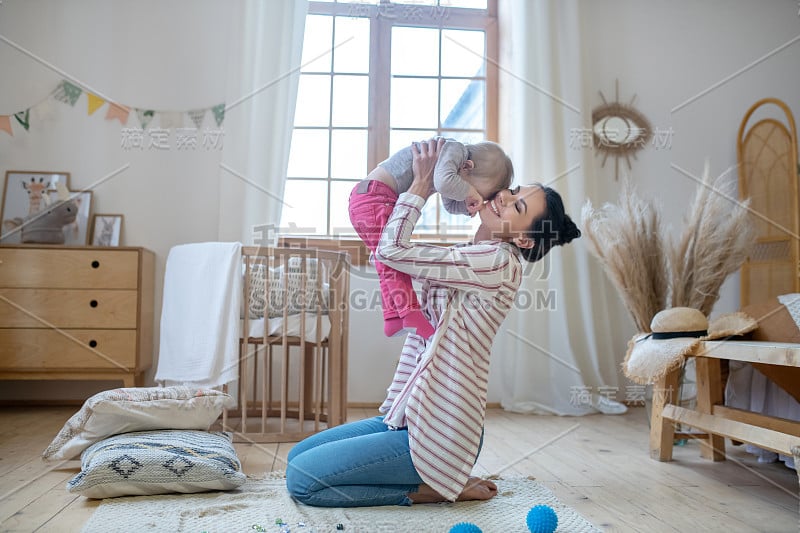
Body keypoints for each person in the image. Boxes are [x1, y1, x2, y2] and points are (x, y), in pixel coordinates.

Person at [287, 138, 581, 507]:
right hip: (411, 418)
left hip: (439, 434)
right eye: (514, 190)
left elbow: (391, 251)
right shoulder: (472, 255)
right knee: (298, 457)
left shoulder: (497, 263)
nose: (504, 196)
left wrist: (421, 186)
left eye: (516, 205)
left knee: (303, 481)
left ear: (522, 237)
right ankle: (443, 478)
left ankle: (428, 488)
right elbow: (403, 258)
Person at [349, 137, 514, 339]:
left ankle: (393, 317)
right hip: (374, 197)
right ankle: (410, 313)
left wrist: (467, 206)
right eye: (477, 191)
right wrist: (469, 191)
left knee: (387, 263)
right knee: (392, 258)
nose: (472, 194)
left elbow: (449, 203)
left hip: (370, 198)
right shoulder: (454, 150)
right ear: (468, 167)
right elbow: (444, 184)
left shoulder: (452, 167)